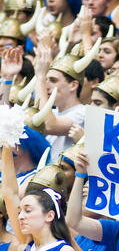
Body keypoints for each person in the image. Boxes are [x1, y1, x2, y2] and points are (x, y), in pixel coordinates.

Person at [34, 34, 101, 162]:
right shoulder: (52, 112)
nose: (46, 86)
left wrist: (41, 77)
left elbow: (48, 125)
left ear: (73, 85)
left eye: (53, 80)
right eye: (46, 80)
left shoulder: (83, 112)